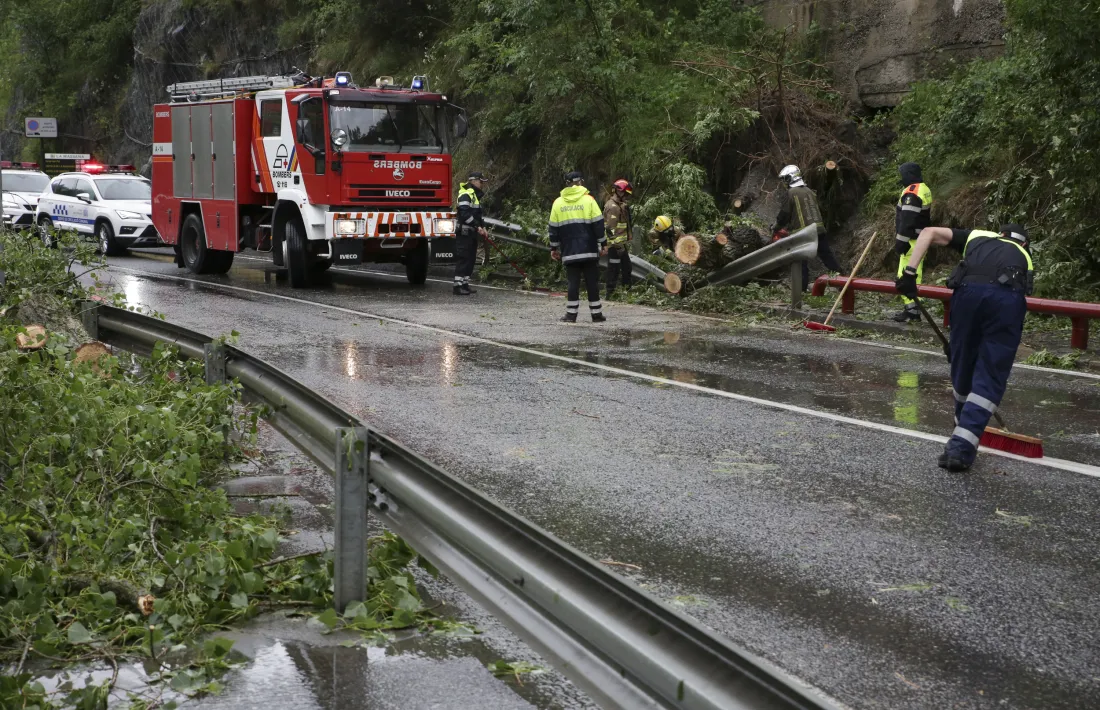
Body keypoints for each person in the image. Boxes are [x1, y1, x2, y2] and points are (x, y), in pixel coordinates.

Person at [896, 223, 1033, 472]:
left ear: (1000, 234)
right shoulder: (1024, 255)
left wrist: (909, 273)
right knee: (990, 372)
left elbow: (928, 232)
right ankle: (960, 447)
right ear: (1024, 243)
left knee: (962, 362)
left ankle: (962, 431)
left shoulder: (978, 236)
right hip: (1005, 300)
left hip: (967, 294)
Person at [772, 164, 844, 290]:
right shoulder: (809, 191)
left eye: (785, 179)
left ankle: (802, 289)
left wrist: (776, 227)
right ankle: (842, 281)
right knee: (827, 256)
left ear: (790, 178)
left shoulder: (791, 193)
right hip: (819, 229)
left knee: (801, 261)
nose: (784, 183)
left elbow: (784, 214)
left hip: (803, 232)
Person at [548, 172, 607, 322]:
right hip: (589, 249)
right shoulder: (589, 200)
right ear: (581, 182)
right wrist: (603, 244)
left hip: (569, 251)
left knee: (573, 282)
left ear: (567, 183)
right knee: (591, 282)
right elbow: (599, 224)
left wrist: (554, 248)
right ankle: (596, 314)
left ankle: (571, 315)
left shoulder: (558, 203)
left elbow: (553, 229)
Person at [893, 162, 933, 322]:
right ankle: (913, 310)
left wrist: (901, 241)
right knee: (916, 275)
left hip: (912, 241)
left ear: (909, 175)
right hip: (920, 239)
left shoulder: (912, 192)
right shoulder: (923, 188)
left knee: (905, 276)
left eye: (902, 174)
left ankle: (912, 312)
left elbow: (907, 220)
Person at [454, 171, 489, 296]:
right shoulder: (465, 194)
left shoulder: (474, 195)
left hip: (472, 233)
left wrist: (483, 227)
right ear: (473, 181)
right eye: (481, 182)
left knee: (471, 259)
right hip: (464, 232)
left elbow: (478, 215)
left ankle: (465, 284)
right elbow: (464, 214)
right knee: (463, 258)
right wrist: (476, 226)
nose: (482, 184)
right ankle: (457, 286)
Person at [603, 179, 634, 297]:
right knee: (614, 268)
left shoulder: (620, 205)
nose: (626, 196)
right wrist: (617, 246)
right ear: (619, 192)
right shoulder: (613, 207)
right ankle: (610, 293)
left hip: (620, 244)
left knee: (626, 267)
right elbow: (610, 229)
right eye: (625, 194)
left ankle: (625, 291)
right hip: (614, 245)